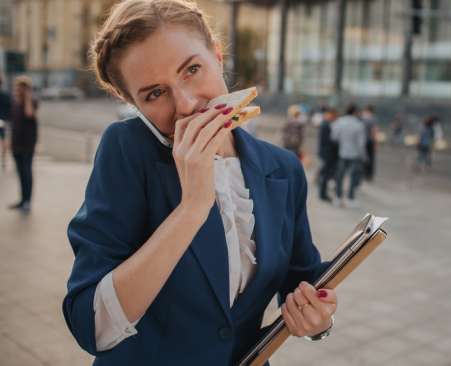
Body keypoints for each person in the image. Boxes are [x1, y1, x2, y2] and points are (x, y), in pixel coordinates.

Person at [62, 1, 338, 364]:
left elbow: (300, 281)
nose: (187, 105)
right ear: (131, 102)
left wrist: (317, 317)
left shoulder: (282, 167)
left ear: (218, 57)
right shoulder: (127, 150)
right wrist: (192, 207)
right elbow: (91, 325)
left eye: (192, 69)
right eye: (154, 93)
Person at [8, 75, 38, 212]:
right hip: (16, 143)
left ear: (27, 89)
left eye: (21, 88)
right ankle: (22, 200)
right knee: (20, 173)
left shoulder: (32, 101)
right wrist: (9, 142)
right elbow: (13, 124)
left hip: (27, 144)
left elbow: (29, 114)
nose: (17, 90)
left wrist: (27, 97)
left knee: (27, 173)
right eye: (17, 88)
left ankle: (28, 202)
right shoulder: (14, 103)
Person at [331, 104, 366, 208]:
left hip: (342, 152)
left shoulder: (339, 122)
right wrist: (363, 155)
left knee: (340, 176)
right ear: (355, 112)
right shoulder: (359, 124)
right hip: (354, 154)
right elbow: (361, 143)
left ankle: (338, 198)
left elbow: (334, 137)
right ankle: (350, 199)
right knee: (353, 177)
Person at [317, 108, 339, 202]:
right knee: (326, 174)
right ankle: (322, 194)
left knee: (325, 173)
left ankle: (322, 191)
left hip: (325, 152)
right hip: (328, 153)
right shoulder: (327, 125)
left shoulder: (324, 124)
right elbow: (330, 141)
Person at [360, 105, 378, 181]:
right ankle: (369, 175)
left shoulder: (361, 118)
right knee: (370, 158)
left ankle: (362, 174)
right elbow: (374, 131)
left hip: (362, 141)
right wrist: (375, 143)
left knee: (363, 158)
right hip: (369, 141)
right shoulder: (373, 119)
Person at [0, 75, 11, 171]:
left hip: (2, 120)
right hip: (2, 120)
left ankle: (3, 161)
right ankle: (3, 161)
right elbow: (9, 109)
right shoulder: (5, 95)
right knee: (3, 141)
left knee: (4, 141)